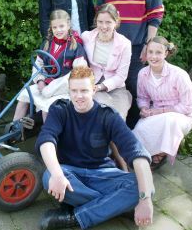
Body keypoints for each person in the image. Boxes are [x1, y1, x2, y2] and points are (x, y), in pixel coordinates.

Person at [35, 66, 155, 230]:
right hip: (70, 175)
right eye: (74, 91)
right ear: (69, 91)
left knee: (143, 184)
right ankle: (114, 206)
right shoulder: (59, 109)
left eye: (84, 90)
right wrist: (57, 175)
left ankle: (75, 218)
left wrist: (145, 200)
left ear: (93, 90)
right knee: (48, 176)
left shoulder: (108, 116)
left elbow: (138, 154)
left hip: (102, 175)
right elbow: (46, 141)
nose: (78, 96)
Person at [96, 0, 164, 129]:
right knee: (112, 86)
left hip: (136, 47)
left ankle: (134, 129)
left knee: (135, 87)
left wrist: (148, 46)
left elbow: (155, 14)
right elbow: (100, 14)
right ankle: (113, 127)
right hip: (110, 47)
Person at [133, 36, 192, 170]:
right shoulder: (143, 74)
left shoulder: (179, 75)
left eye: (158, 53)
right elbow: (142, 97)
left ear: (166, 53)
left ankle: (161, 154)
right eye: (150, 52)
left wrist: (159, 111)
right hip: (154, 113)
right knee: (139, 130)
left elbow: (188, 106)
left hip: (180, 116)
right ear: (146, 52)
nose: (153, 56)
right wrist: (144, 108)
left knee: (169, 121)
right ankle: (144, 155)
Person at [13, 10, 87, 122]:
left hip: (64, 88)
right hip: (45, 84)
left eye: (61, 26)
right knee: (24, 95)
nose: (58, 30)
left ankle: (47, 135)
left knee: (47, 108)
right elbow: (38, 64)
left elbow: (77, 74)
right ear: (51, 28)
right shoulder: (47, 43)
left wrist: (52, 88)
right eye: (55, 27)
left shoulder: (76, 46)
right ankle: (15, 129)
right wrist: (40, 81)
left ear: (68, 25)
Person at [81, 3, 132, 120]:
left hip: (116, 87)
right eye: (100, 22)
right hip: (92, 84)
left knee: (118, 116)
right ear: (96, 21)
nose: (104, 26)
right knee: (101, 111)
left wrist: (100, 87)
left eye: (108, 22)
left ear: (116, 22)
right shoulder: (86, 37)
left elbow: (121, 76)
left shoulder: (125, 44)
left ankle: (116, 138)